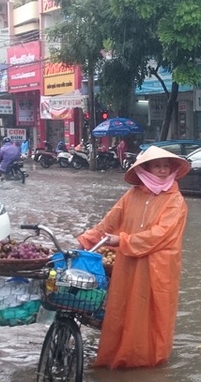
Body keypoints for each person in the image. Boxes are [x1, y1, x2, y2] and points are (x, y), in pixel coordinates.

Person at [76, 146, 190, 369]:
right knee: (122, 308)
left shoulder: (175, 201)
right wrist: (86, 241)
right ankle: (116, 356)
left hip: (158, 266)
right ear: (145, 169)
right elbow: (109, 222)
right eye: (157, 166)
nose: (163, 170)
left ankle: (147, 361)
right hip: (128, 262)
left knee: (152, 313)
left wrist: (122, 241)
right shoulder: (132, 195)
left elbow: (161, 234)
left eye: (166, 165)